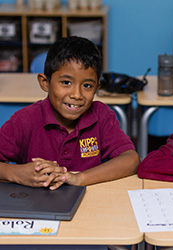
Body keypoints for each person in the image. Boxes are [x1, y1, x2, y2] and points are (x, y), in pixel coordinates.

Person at [0, 36, 139, 190]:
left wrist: (78, 178)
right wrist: (17, 173)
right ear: (45, 83)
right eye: (66, 83)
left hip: (90, 204)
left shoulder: (101, 115)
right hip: (35, 207)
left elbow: (130, 159)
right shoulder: (24, 120)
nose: (77, 95)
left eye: (87, 85)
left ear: (96, 88)